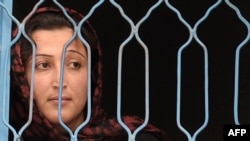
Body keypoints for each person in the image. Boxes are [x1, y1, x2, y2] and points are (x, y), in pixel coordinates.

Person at [10, 6, 170, 141]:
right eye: (43, 65)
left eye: (74, 64)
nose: (59, 81)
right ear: (20, 77)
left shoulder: (131, 137)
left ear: (92, 75)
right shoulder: (6, 135)